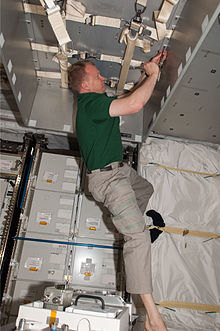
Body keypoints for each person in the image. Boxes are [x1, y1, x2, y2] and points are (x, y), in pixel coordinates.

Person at [68, 51, 167, 331]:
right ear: (85, 84)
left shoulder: (94, 103)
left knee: (145, 189)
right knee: (138, 238)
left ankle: (128, 225)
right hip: (108, 180)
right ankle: (152, 317)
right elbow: (135, 104)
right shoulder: (90, 103)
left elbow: (127, 101)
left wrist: (148, 74)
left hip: (118, 173)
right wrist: (155, 75)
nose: (102, 77)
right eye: (97, 75)